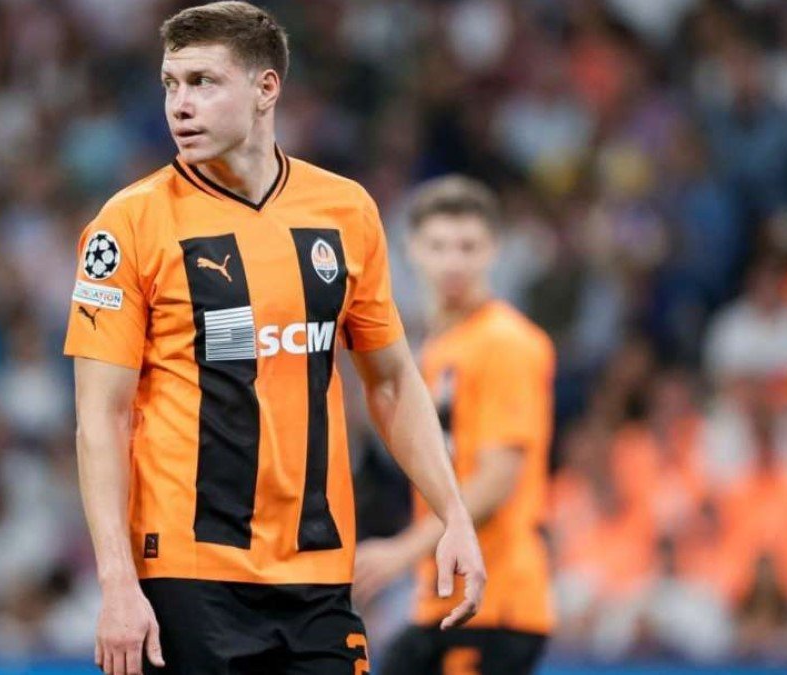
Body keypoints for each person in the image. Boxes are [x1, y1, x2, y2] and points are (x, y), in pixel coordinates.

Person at [62, 3, 485, 674]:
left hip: (318, 574)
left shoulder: (345, 210)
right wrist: (117, 582)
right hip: (188, 573)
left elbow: (391, 380)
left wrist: (452, 513)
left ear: (266, 89)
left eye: (203, 82)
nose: (180, 104)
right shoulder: (128, 224)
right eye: (171, 84)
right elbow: (100, 417)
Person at [353, 176, 555, 675]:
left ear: (494, 250)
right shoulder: (437, 348)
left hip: (496, 602)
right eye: (438, 246)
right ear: (412, 251)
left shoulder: (506, 342)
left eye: (468, 247)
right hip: (446, 600)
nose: (453, 262)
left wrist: (402, 551)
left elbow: (498, 477)